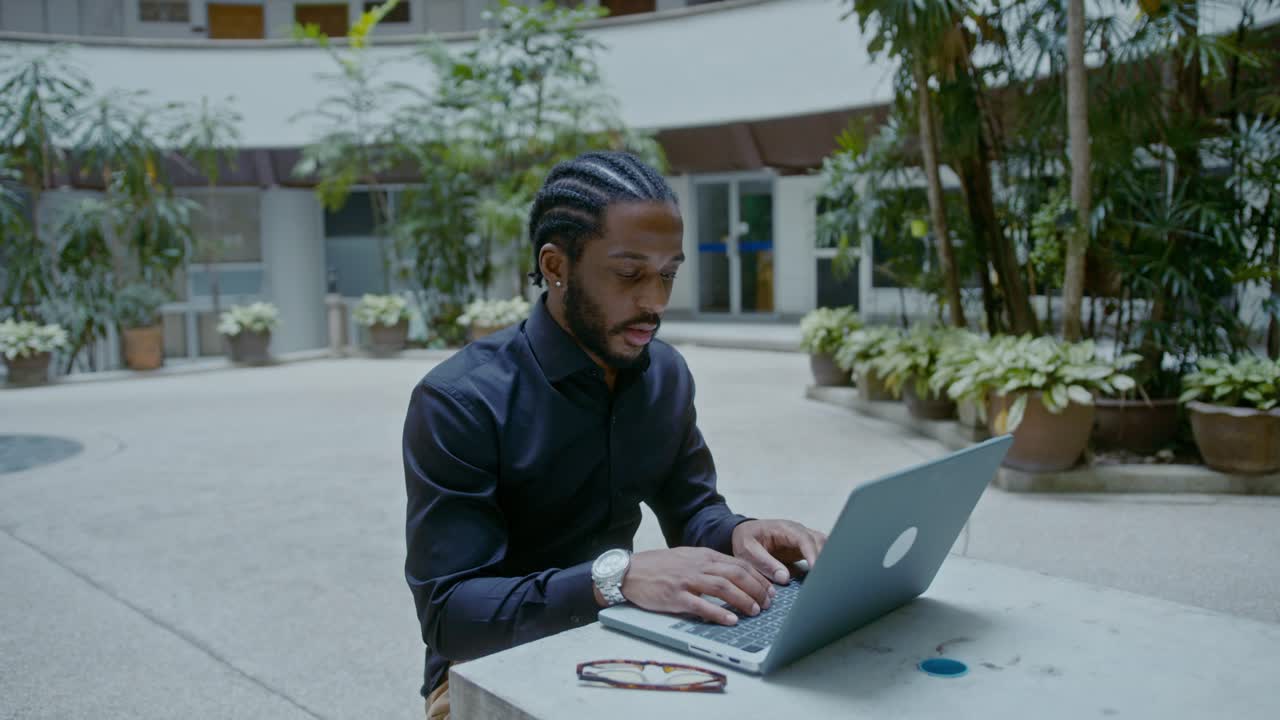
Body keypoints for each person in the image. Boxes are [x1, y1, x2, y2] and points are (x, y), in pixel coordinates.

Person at [403, 151, 828, 718]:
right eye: (629, 274)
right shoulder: (460, 401)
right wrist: (617, 578)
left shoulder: (665, 374)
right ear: (556, 266)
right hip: (483, 672)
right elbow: (451, 616)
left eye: (668, 274)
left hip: (619, 639)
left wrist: (743, 533)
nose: (655, 301)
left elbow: (695, 511)